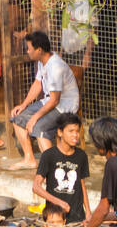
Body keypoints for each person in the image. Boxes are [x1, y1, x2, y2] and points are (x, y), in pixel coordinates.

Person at [8, 30, 79, 171]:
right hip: (49, 101)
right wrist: (24, 104)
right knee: (16, 117)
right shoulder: (42, 61)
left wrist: (35, 117)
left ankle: (53, 169)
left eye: (29, 48)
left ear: (39, 50)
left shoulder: (55, 66)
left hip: (64, 106)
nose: (27, 51)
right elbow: (37, 84)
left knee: (39, 128)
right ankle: (29, 159)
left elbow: (55, 100)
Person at [33, 112, 90, 227]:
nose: (75, 135)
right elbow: (36, 187)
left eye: (77, 131)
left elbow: (82, 185)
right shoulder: (48, 155)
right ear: (60, 132)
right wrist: (59, 203)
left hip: (77, 218)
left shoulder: (81, 156)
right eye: (71, 131)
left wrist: (88, 212)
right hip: (55, 219)